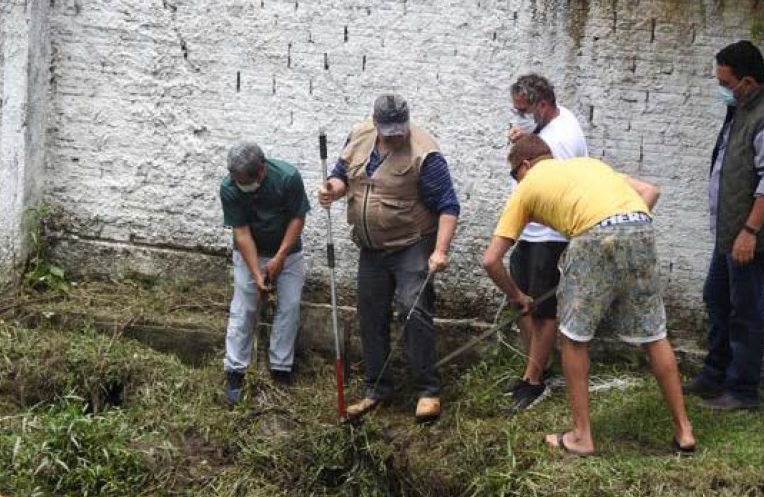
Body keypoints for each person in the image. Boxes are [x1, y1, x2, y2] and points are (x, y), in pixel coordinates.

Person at [482, 135, 696, 455]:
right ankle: (684, 432)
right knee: (655, 334)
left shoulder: (526, 187)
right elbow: (651, 191)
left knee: (574, 338)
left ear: (524, 166)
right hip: (639, 226)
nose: (516, 182)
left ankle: (581, 437)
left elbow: (490, 260)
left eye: (514, 175)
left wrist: (517, 296)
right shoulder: (590, 165)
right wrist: (618, 238)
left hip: (593, 235)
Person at [318, 94, 460, 423]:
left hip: (411, 243)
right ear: (376, 124)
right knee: (370, 313)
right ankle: (377, 388)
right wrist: (332, 189)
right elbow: (343, 176)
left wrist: (439, 251)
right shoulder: (359, 136)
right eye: (389, 130)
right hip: (371, 248)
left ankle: (427, 390)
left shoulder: (425, 153)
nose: (395, 136)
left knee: (413, 307)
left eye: (400, 129)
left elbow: (448, 206)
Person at [682, 40, 764, 410]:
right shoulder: (745, 106)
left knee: (744, 309)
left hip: (750, 235)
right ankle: (715, 374)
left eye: (725, 83)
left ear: (747, 82)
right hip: (731, 231)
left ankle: (742, 391)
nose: (722, 89)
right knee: (716, 296)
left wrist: (749, 232)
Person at [503, 74, 589, 412]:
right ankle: (535, 367)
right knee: (522, 302)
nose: (519, 115)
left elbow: (557, 188)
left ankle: (534, 381)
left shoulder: (562, 139)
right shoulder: (548, 123)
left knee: (542, 309)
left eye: (524, 111)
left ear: (542, 105)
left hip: (548, 236)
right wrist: (525, 137)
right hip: (530, 232)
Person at [220, 141, 310, 407]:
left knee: (290, 305)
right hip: (251, 252)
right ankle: (235, 370)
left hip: (288, 252)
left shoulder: (288, 178)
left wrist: (280, 257)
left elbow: (297, 218)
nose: (237, 184)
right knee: (244, 306)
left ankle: (281, 368)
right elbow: (242, 232)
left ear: (260, 173)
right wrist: (257, 273)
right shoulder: (229, 188)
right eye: (234, 180)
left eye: (242, 180)